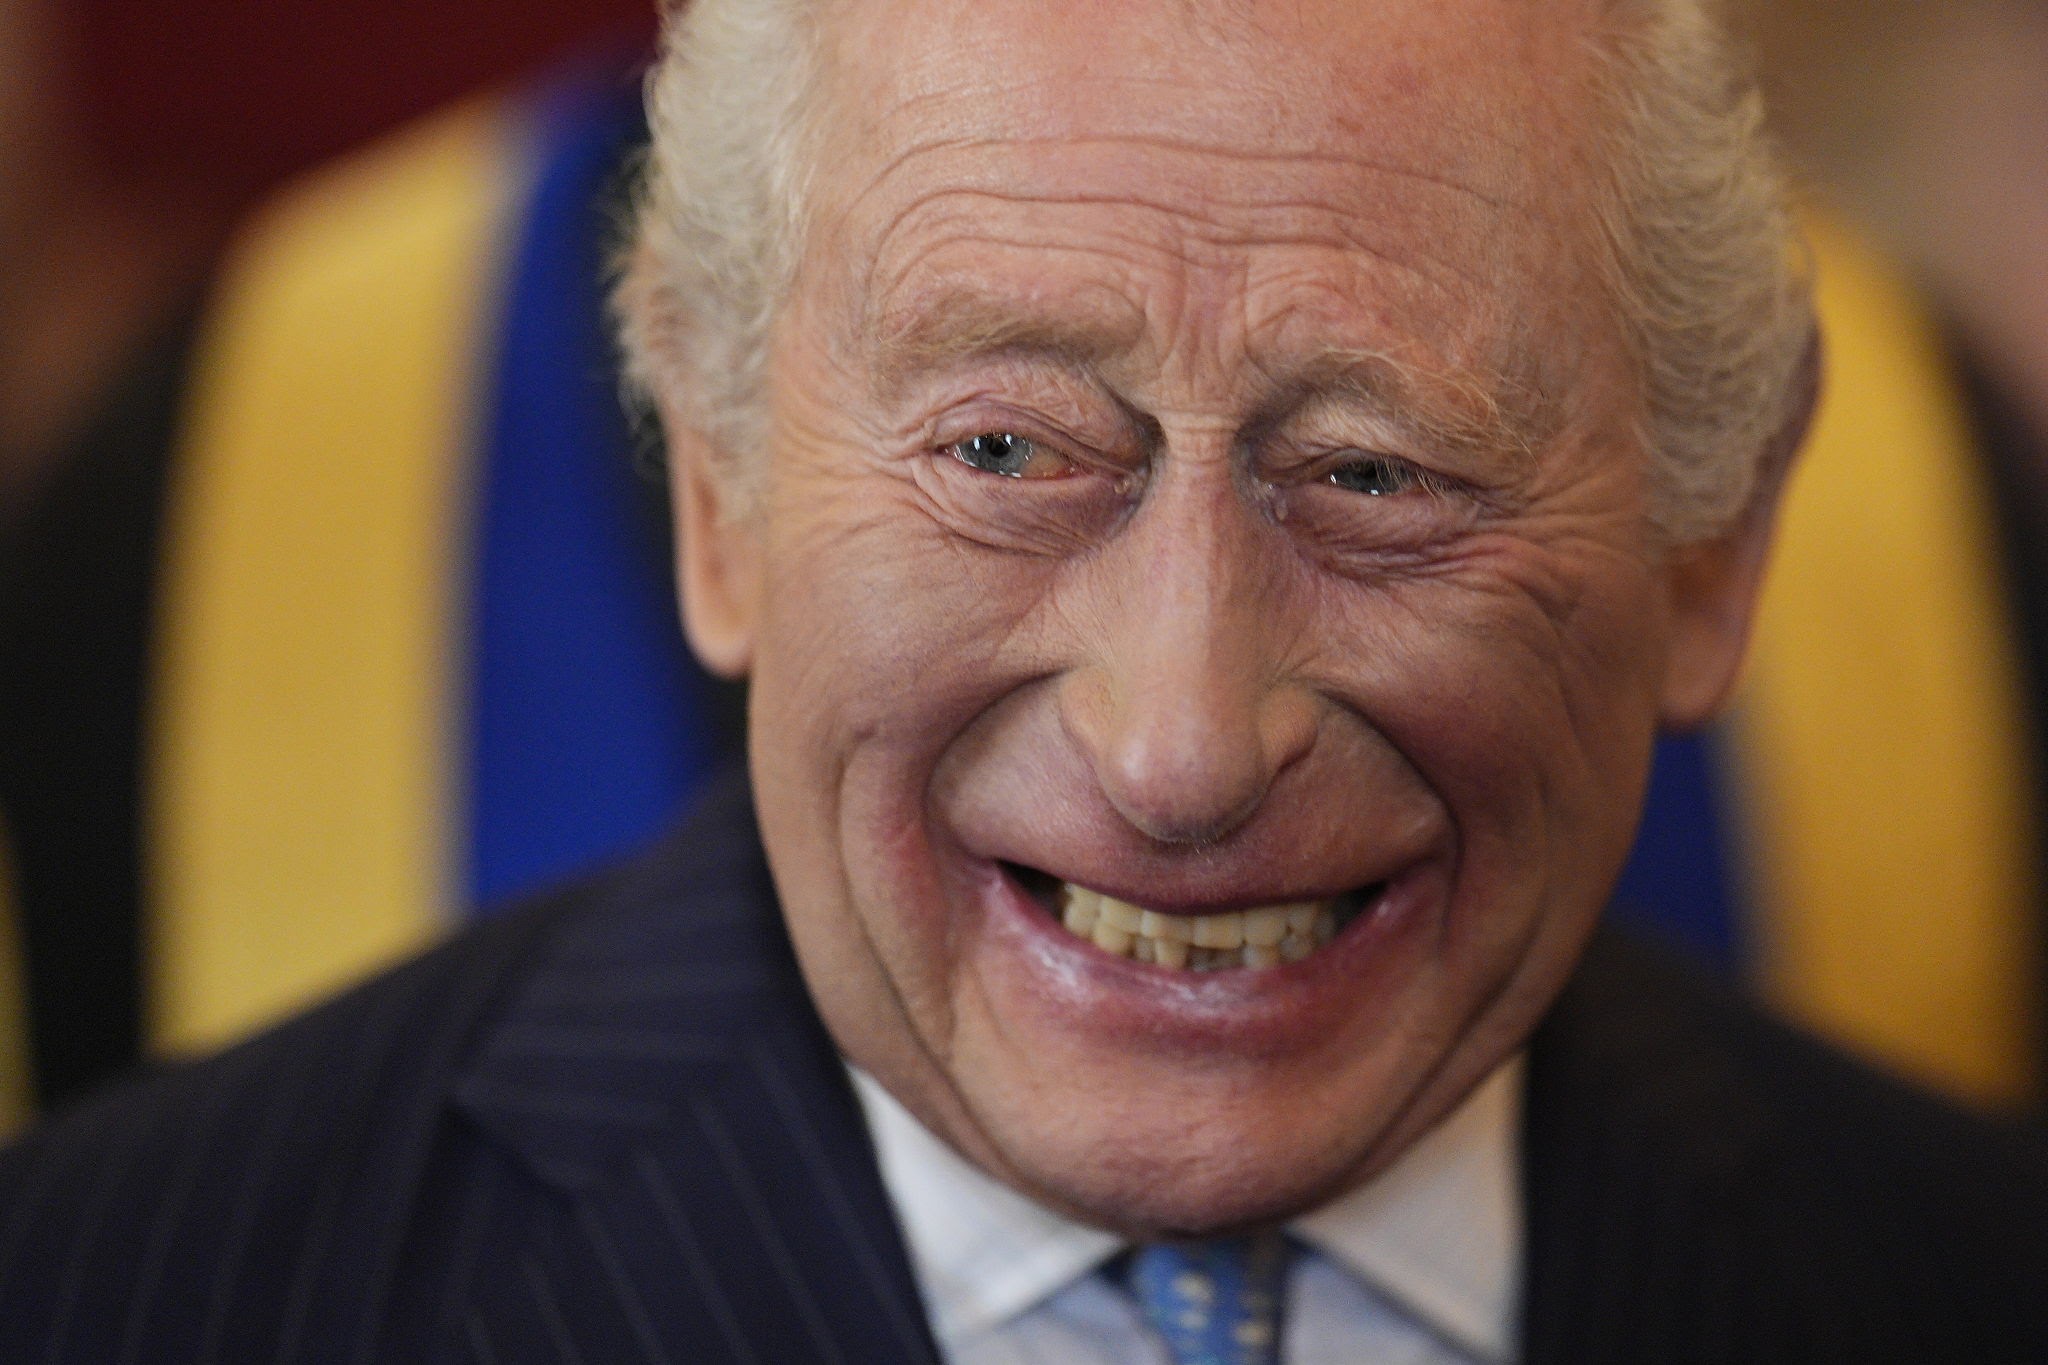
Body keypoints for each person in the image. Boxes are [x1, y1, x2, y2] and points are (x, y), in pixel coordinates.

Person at [2, 0, 2044, 1361]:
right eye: (1005, 450)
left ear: (1707, 547)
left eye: (1374, 474)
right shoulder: (119, 1297)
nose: (1180, 748)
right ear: (717, 487)